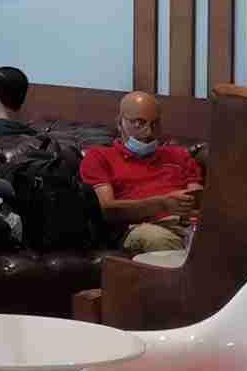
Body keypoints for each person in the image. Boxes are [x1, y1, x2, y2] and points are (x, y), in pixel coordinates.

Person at [79, 91, 204, 256]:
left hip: (185, 224)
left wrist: (195, 209)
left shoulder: (179, 155)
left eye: (155, 124)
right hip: (138, 228)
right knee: (159, 239)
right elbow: (107, 209)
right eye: (139, 123)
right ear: (120, 123)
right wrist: (162, 204)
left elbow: (197, 197)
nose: (148, 132)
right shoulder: (99, 157)